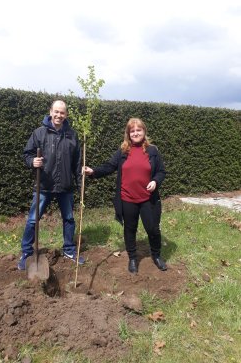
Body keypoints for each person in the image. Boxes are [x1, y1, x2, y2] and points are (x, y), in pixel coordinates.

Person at [84, 118, 167, 274]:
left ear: (144, 132)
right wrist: (93, 171)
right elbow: (109, 167)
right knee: (130, 229)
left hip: (148, 199)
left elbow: (161, 172)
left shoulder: (153, 151)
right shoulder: (123, 152)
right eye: (132, 131)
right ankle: (133, 258)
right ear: (128, 134)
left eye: (138, 130)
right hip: (127, 198)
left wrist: (155, 181)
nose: (135, 133)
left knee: (153, 229)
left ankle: (156, 255)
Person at [18, 100, 84, 270]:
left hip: (65, 187)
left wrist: (80, 185)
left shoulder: (72, 135)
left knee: (69, 219)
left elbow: (77, 163)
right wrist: (33, 161)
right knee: (33, 219)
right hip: (44, 185)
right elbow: (27, 154)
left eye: (62, 113)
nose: (59, 115)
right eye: (56, 112)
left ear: (66, 115)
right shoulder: (39, 133)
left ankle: (69, 249)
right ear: (50, 112)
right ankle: (26, 252)